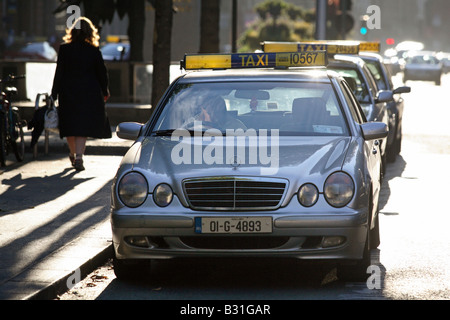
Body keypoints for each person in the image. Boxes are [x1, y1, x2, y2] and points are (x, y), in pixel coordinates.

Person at [51, 17, 111, 171]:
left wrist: (54, 93)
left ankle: (73, 153)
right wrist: (105, 91)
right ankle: (78, 157)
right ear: (90, 32)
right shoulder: (93, 51)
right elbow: (101, 73)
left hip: (68, 92)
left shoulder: (64, 50)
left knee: (70, 125)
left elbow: (59, 73)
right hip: (88, 93)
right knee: (82, 126)